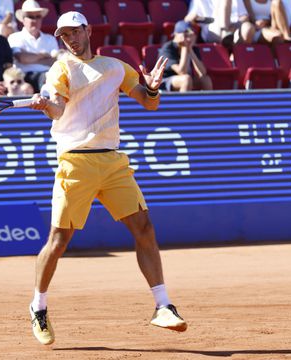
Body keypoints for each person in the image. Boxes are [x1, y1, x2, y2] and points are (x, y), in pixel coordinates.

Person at [26, 11, 188, 346]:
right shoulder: (61, 68)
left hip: (113, 162)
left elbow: (147, 102)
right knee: (58, 242)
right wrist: (46, 106)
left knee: (144, 228)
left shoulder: (116, 67)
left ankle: (163, 305)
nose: (69, 40)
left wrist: (154, 90)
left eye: (73, 33)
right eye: (63, 36)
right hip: (75, 163)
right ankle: (38, 306)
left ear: (88, 30)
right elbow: (58, 107)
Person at [8, 0, 59, 92]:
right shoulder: (14, 37)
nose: (35, 20)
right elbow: (22, 58)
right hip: (24, 78)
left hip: (47, 77)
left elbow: (54, 61)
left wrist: (30, 58)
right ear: (23, 19)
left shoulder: (50, 38)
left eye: (38, 16)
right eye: (31, 17)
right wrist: (43, 55)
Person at [159, 20, 213, 92]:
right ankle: (183, 103)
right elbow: (182, 72)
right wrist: (184, 48)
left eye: (191, 35)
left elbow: (202, 72)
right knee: (186, 79)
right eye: (185, 34)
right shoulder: (168, 48)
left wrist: (190, 50)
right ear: (176, 34)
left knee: (206, 80)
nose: (188, 38)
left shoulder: (193, 47)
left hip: (187, 77)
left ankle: (208, 102)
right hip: (167, 80)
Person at [185, 0, 255, 47]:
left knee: (248, 28)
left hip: (234, 28)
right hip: (212, 28)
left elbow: (244, 16)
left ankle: (237, 56)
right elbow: (187, 19)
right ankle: (225, 31)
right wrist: (198, 18)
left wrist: (233, 26)